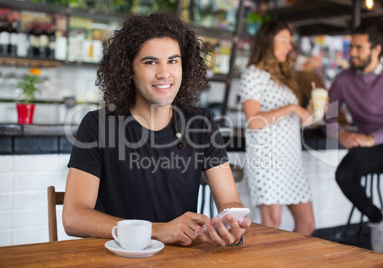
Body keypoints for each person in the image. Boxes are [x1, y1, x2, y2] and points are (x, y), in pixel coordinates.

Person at [62, 12, 251, 247]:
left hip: (181, 259)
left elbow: (229, 200)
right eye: (151, 62)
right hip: (117, 257)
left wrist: (231, 221)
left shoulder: (201, 123)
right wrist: (158, 231)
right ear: (128, 70)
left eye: (173, 61)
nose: (164, 73)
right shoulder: (98, 125)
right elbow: (74, 218)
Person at [328, 19, 383, 253]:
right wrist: (340, 134)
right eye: (352, 47)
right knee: (344, 175)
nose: (353, 53)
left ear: (376, 49)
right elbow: (326, 116)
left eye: (359, 48)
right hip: (368, 149)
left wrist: (372, 137)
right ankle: (377, 218)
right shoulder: (343, 79)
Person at [239, 20, 315, 235]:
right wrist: (292, 107)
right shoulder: (252, 74)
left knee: (307, 224)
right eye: (283, 40)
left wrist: (308, 111)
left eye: (289, 42)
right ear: (267, 41)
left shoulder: (284, 78)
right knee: (272, 224)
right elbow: (254, 120)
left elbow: (302, 119)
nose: (289, 47)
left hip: (291, 160)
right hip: (268, 159)